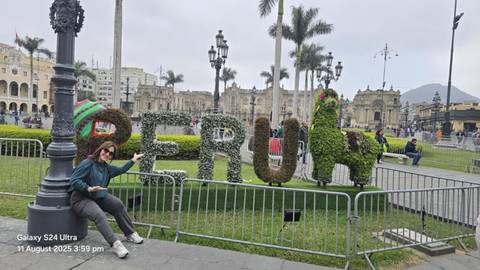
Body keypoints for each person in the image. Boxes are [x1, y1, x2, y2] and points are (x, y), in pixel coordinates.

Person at [68, 141, 145, 258]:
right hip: (81, 198)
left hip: (98, 196)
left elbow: (121, 170)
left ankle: (130, 233)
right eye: (106, 151)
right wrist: (88, 188)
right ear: (100, 149)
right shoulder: (87, 163)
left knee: (117, 204)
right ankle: (115, 244)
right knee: (99, 215)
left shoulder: (106, 168)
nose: (107, 154)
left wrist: (133, 159)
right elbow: (74, 180)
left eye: (111, 154)